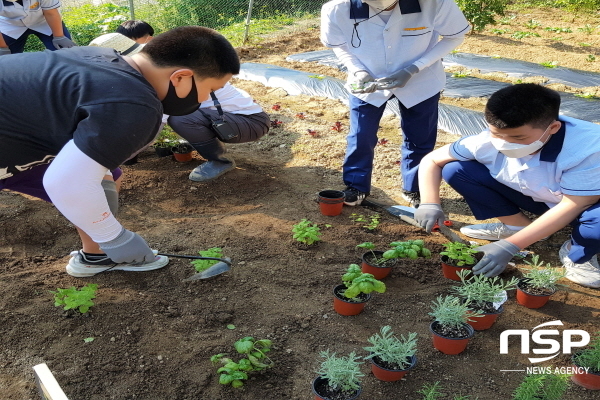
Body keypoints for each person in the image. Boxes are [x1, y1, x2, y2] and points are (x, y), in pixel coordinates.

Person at [0, 26, 240, 277]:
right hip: (9, 144)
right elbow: (67, 183)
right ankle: (106, 249)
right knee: (81, 182)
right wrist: (116, 239)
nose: (203, 99)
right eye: (210, 90)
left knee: (106, 176)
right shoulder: (135, 103)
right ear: (180, 77)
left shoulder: (99, 57)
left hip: (18, 138)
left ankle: (95, 257)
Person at [414, 83, 600, 289]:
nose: (504, 143)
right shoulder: (485, 141)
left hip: (584, 207)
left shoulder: (589, 149)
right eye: (497, 134)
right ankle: (518, 227)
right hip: (540, 195)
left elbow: (573, 205)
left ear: (553, 128)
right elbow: (431, 161)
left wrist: (510, 246)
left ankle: (577, 252)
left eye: (518, 137)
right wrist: (430, 203)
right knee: (456, 170)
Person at [320, 0, 470, 207]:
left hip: (421, 81)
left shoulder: (434, 3)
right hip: (367, 82)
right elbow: (338, 45)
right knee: (360, 135)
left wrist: (413, 69)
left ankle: (416, 188)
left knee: (420, 137)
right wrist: (358, 70)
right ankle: (356, 186)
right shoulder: (338, 8)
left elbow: (454, 36)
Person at [113, 21, 270, 182]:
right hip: (226, 118)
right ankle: (203, 142)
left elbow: (155, 124)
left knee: (181, 118)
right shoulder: (162, 65)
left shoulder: (169, 76)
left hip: (250, 122)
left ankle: (220, 161)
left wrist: (113, 159)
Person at [0, 0, 75, 55]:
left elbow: (50, 13)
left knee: (65, 54)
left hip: (44, 22)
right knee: (7, 60)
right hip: (11, 25)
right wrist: (2, 47)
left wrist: (59, 36)